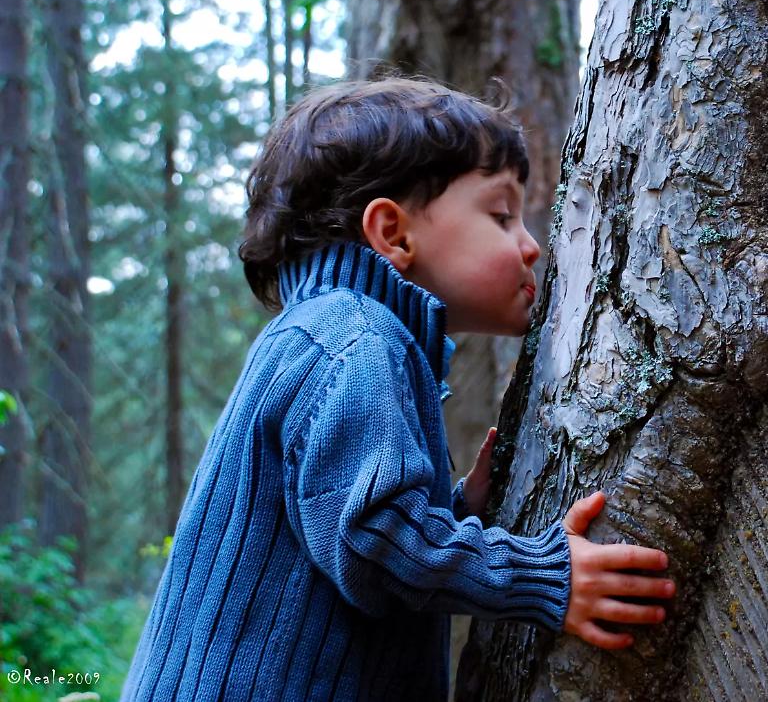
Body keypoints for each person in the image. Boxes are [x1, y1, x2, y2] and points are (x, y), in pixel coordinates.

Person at [120, 78, 675, 701]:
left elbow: (339, 540)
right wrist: (542, 576)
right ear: (394, 233)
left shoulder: (332, 336)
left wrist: (456, 510)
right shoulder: (353, 339)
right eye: (499, 215)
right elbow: (373, 541)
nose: (531, 244)